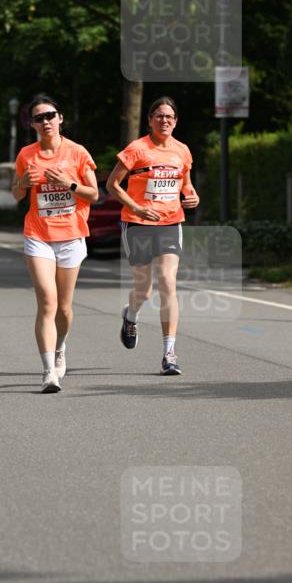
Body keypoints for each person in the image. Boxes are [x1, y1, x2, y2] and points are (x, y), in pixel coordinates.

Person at [105, 96, 200, 376]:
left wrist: (191, 196)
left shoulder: (182, 151)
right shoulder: (137, 149)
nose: (164, 120)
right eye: (159, 116)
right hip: (137, 223)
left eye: (169, 116)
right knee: (144, 290)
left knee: (168, 282)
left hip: (171, 222)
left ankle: (169, 353)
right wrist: (137, 208)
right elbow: (112, 184)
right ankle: (130, 315)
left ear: (176, 121)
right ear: (149, 120)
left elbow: (187, 186)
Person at [11, 94, 98, 393]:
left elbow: (94, 194)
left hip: (71, 235)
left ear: (60, 118)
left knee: (64, 306)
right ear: (32, 124)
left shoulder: (77, 153)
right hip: (38, 234)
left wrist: (68, 184)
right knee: (46, 301)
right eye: (39, 118)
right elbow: (16, 195)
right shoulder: (26, 155)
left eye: (50, 115)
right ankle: (49, 371)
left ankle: (60, 347)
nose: (45, 121)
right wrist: (23, 183)